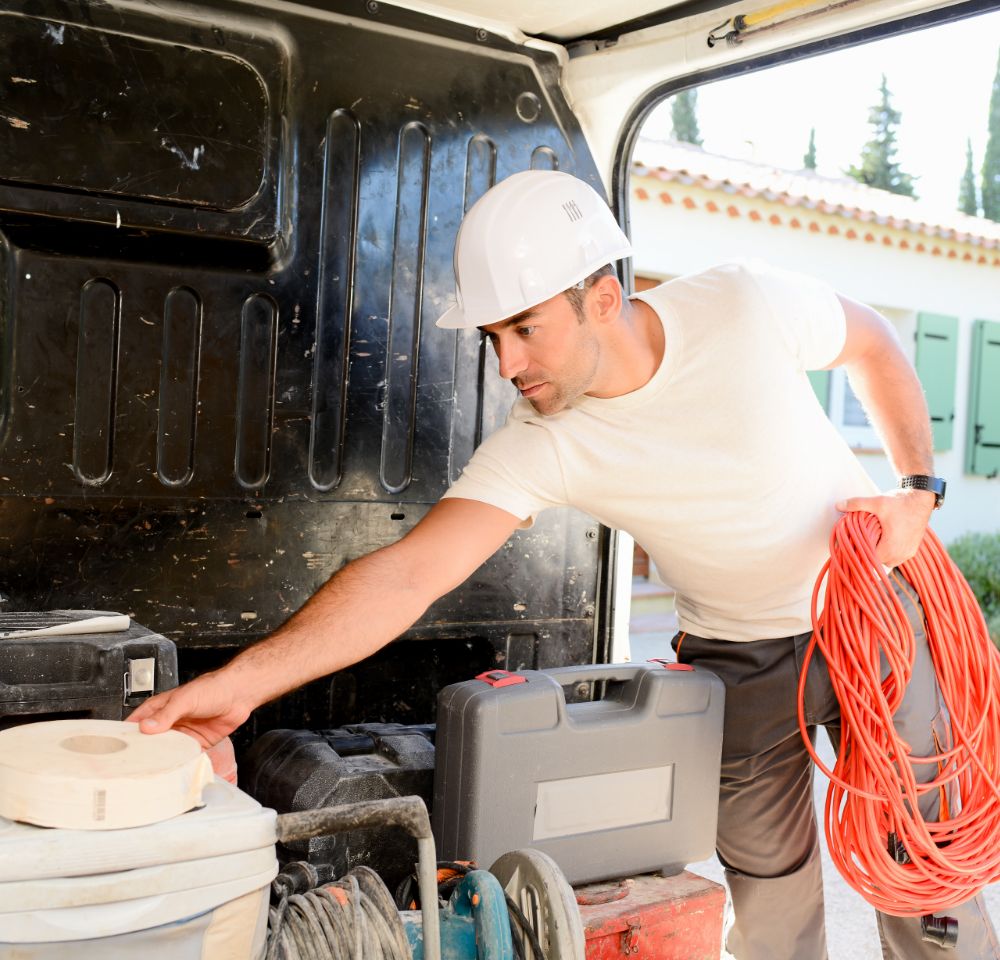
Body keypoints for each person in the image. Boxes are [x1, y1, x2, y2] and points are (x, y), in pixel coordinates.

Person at [130, 170, 998, 959]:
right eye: (491, 336)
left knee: (925, 867)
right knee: (770, 909)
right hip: (739, 656)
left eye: (524, 328)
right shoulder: (543, 442)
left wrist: (918, 491)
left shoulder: (743, 304)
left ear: (603, 298)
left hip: (874, 608)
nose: (507, 365)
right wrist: (243, 686)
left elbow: (876, 342)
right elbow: (408, 573)